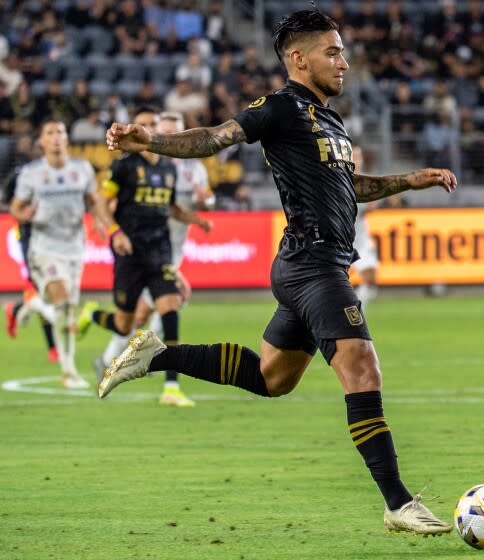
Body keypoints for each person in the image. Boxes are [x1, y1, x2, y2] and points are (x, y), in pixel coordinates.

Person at [99, 10, 456, 536]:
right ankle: (398, 502)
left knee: (272, 379)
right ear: (298, 58)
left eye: (343, 51)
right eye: (332, 52)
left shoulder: (329, 120)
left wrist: (411, 180)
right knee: (363, 372)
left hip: (311, 265)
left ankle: (159, 355)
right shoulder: (279, 108)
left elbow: (349, 186)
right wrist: (151, 140)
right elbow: (214, 138)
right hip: (312, 264)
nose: (344, 62)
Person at [77, 106, 211, 406]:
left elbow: (171, 207)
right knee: (126, 324)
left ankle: (172, 387)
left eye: (153, 124)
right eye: (143, 124)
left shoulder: (168, 167)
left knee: (171, 308)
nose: (149, 128)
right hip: (130, 253)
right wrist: (114, 232)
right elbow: (101, 202)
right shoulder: (124, 166)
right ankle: (91, 314)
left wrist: (195, 220)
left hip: (159, 250)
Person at [8, 120, 104, 387]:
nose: (56, 137)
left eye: (60, 132)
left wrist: (98, 216)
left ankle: (67, 369)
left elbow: (92, 198)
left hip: (74, 247)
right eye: (49, 132)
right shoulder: (31, 174)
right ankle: (69, 369)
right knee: (61, 301)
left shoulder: (82, 169)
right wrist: (23, 215)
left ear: (67, 138)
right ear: (41, 141)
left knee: (66, 312)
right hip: (44, 247)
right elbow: (16, 207)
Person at [2, 164, 58, 363]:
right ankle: (53, 347)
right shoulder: (19, 175)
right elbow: (7, 199)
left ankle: (15, 310)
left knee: (44, 294)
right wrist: (23, 210)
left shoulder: (56, 175)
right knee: (43, 292)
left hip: (51, 238)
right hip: (29, 239)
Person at [351, 145, 379, 309]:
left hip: (360, 237)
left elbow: (371, 208)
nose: (357, 160)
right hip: (339, 236)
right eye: (354, 156)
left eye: (359, 157)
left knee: (371, 278)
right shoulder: (337, 179)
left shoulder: (366, 182)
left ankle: (356, 313)